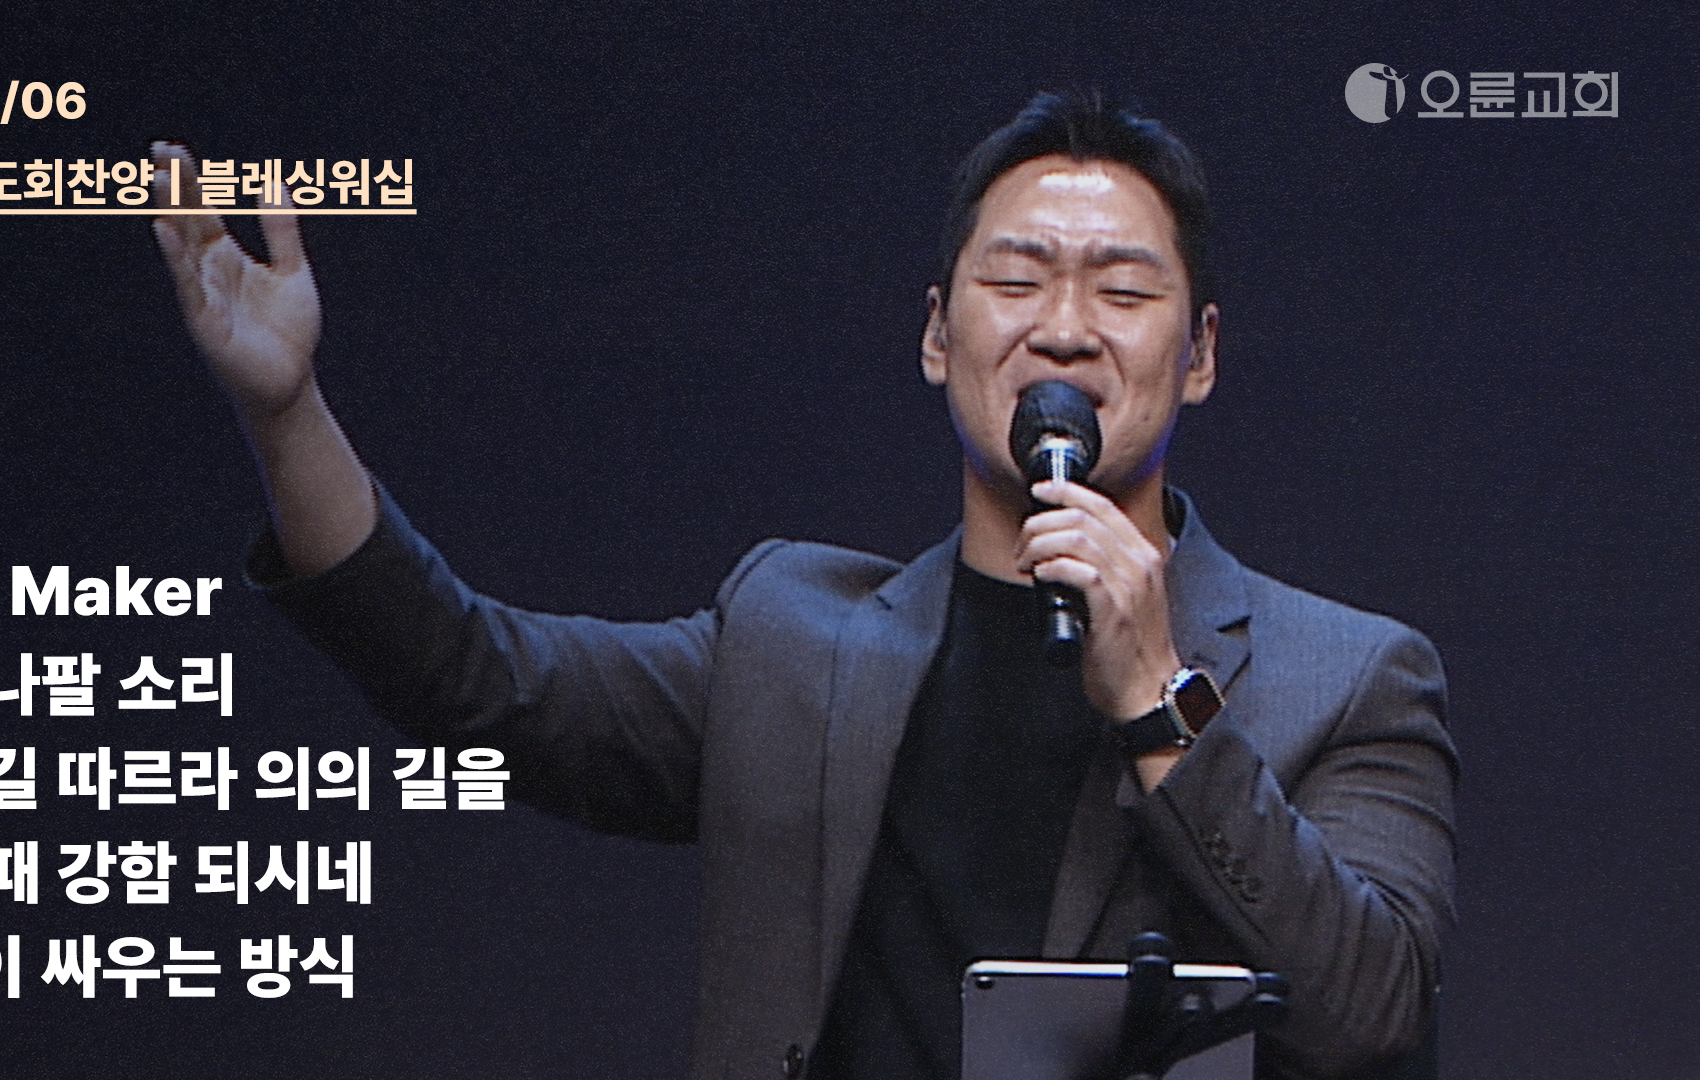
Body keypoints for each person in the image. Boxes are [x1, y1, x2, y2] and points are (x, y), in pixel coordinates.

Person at [150, 91, 1456, 1080]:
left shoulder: (1349, 679)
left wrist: (1165, 705)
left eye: (1122, 291)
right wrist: (286, 413)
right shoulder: (792, 638)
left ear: (1201, 353)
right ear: (939, 335)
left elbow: (1374, 1015)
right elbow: (478, 679)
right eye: (1016, 280)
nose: (1064, 328)